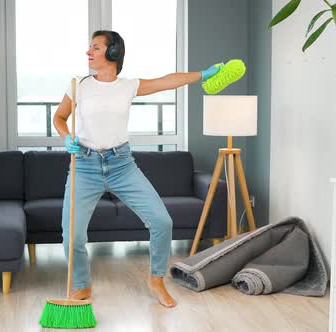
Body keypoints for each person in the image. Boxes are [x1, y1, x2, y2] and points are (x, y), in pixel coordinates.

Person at [53, 30, 222, 308]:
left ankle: (156, 281)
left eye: (95, 47)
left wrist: (202, 74)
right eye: (89, 47)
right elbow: (60, 117)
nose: (88, 52)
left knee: (161, 221)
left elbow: (168, 81)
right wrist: (66, 137)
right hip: (84, 165)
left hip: (122, 165)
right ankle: (81, 285)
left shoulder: (128, 86)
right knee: (72, 235)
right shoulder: (78, 85)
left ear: (113, 53)